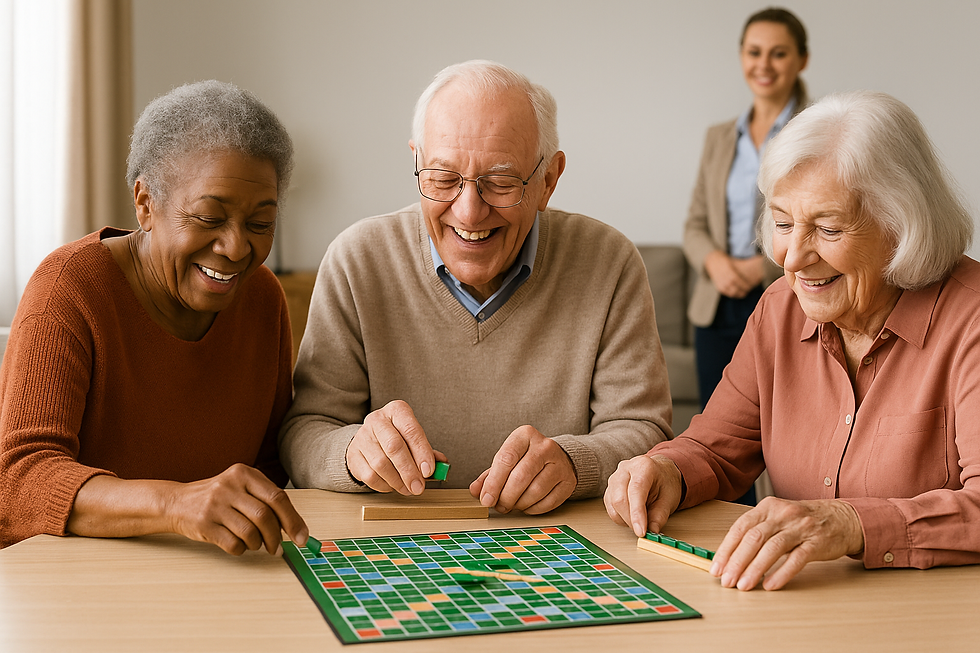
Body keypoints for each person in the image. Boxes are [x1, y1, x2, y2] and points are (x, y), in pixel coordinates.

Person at [604, 90, 980, 590]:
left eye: (827, 229)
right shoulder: (780, 308)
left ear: (901, 226)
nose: (792, 257)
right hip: (799, 604)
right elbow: (718, 449)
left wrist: (850, 524)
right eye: (782, 223)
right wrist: (664, 470)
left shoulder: (970, 320)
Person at [279, 60, 672, 515]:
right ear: (416, 162)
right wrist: (352, 454)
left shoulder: (609, 261)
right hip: (392, 540)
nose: (468, 212)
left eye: (500, 183)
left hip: (559, 545)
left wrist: (575, 462)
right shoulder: (358, 258)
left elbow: (644, 429)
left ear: (548, 180)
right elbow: (304, 432)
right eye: (443, 179)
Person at [0, 81, 309, 554]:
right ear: (146, 204)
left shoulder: (262, 297)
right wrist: (175, 504)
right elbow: (21, 481)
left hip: (211, 574)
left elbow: (267, 468)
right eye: (209, 218)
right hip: (74, 582)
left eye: (260, 224)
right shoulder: (69, 287)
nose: (236, 248)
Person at [684, 8, 809, 415]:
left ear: (801, 60)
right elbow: (695, 224)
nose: (764, 65)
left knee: (786, 428)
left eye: (779, 53)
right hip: (717, 301)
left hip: (789, 293)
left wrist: (765, 266)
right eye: (755, 52)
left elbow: (827, 221)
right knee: (717, 432)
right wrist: (715, 262)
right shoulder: (719, 137)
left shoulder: (820, 131)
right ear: (742, 57)